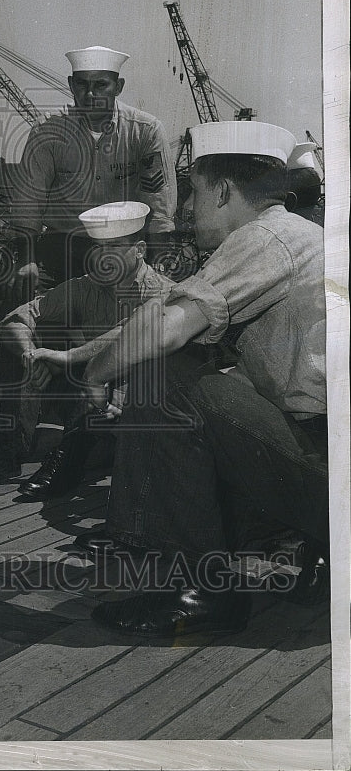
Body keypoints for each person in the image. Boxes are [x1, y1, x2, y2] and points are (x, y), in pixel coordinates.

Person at [53, 121, 327, 638]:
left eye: (195, 193)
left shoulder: (265, 237)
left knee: (167, 376)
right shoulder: (305, 235)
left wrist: (96, 375)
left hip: (329, 476)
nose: (187, 210)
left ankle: (203, 591)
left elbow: (163, 330)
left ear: (222, 190)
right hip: (328, 462)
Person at [0, 201, 173, 499]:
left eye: (114, 246)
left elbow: (129, 334)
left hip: (147, 406)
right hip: (102, 403)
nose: (104, 257)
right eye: (99, 247)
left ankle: (67, 460)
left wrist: (65, 358)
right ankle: (6, 453)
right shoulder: (84, 287)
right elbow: (17, 318)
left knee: (92, 374)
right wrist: (31, 355)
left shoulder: (164, 291)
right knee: (31, 354)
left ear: (140, 249)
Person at [8, 45, 176, 294]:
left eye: (100, 85)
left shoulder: (146, 131)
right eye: (81, 84)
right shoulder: (47, 131)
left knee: (145, 315)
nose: (89, 94)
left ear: (118, 86)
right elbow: (28, 203)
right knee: (22, 306)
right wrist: (26, 260)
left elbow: (159, 209)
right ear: (70, 84)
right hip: (62, 249)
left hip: (123, 248)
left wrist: (158, 266)